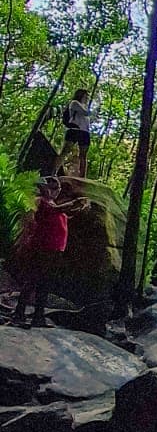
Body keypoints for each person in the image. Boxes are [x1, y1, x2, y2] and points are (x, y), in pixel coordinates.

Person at [9, 177, 86, 328]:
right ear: (45, 188)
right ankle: (19, 313)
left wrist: (78, 208)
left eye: (57, 189)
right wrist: (74, 203)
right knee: (33, 280)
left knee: (44, 283)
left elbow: (64, 213)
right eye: (53, 188)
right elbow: (54, 211)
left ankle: (38, 317)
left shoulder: (54, 205)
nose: (56, 191)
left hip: (54, 250)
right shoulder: (41, 202)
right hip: (42, 248)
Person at [57, 88, 92, 179]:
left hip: (85, 132)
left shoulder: (85, 106)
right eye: (85, 95)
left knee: (83, 155)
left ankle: (82, 177)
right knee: (65, 151)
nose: (87, 97)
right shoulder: (75, 103)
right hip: (74, 130)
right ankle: (53, 171)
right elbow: (85, 113)